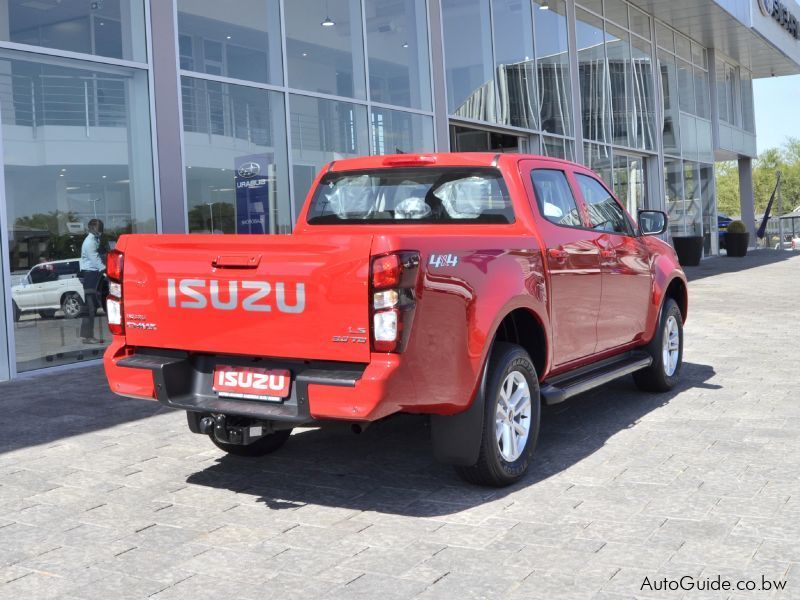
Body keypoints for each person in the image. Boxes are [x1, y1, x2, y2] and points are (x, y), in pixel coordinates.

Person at [79, 219, 105, 344]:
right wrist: (104, 269)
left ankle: (88, 335)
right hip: (90, 274)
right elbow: (94, 258)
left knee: (92, 307)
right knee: (90, 307)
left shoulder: (95, 239)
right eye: (99, 229)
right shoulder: (90, 242)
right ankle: (87, 336)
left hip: (93, 273)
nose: (100, 231)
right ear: (93, 229)